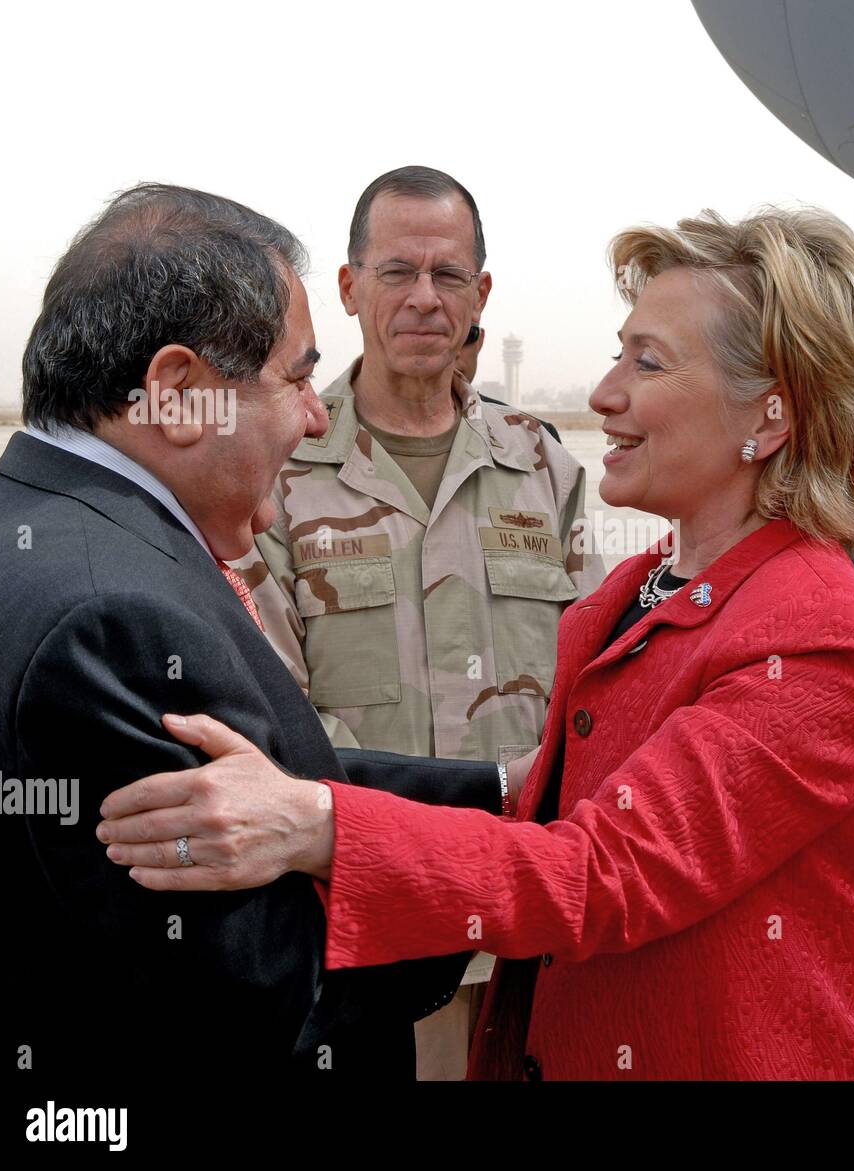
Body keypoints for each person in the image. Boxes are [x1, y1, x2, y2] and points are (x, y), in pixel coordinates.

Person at [100, 206, 854, 1080]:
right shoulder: (630, 593)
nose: (605, 395)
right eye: (618, 354)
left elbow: (605, 872)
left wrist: (318, 824)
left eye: (647, 362)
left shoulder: (822, 636)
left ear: (772, 412)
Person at [0, 183, 502, 1081]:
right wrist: (504, 878)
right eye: (297, 376)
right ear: (179, 394)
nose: (316, 413)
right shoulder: (114, 621)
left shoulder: (26, 524)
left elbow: (273, 781)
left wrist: (499, 786)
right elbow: (266, 994)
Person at [233, 165, 603, 1078]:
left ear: (482, 294)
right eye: (397, 272)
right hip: (364, 918)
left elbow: (598, 691)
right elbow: (266, 709)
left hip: (532, 914)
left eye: (449, 275)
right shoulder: (280, 475)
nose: (425, 298)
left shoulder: (544, 470)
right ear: (351, 289)